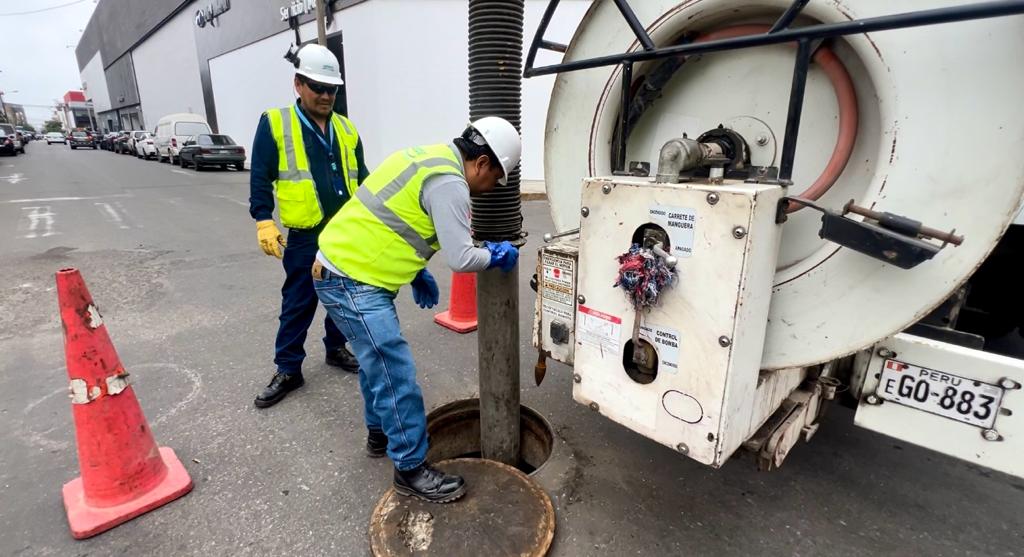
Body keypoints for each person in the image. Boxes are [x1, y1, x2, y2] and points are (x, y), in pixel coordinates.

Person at [311, 117, 521, 503]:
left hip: (339, 268)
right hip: (352, 281)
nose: (488, 189)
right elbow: (461, 257)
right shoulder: (450, 183)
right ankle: (410, 468)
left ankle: (380, 432)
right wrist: (494, 254)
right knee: (395, 372)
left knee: (374, 360)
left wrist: (416, 270)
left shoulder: (425, 156)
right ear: (482, 164)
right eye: (494, 180)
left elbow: (388, 221)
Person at [249, 44, 369, 409]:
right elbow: (261, 176)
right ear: (298, 84)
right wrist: (263, 220)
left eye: (332, 89)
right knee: (298, 302)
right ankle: (288, 368)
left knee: (343, 296)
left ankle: (336, 348)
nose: (326, 95)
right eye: (318, 87)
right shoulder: (275, 123)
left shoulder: (346, 129)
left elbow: (362, 179)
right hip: (305, 234)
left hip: (344, 231)